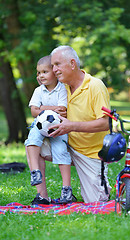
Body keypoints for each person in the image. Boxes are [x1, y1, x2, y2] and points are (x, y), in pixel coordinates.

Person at [46, 45, 111, 203]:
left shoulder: (95, 86)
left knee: (97, 202)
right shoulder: (60, 88)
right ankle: (42, 196)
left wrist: (71, 126)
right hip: (65, 145)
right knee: (33, 143)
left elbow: (105, 123)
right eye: (52, 65)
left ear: (72, 64)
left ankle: (101, 182)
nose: (53, 69)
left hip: (91, 154)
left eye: (57, 64)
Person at [24, 55, 73, 204]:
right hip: (39, 127)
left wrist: (42, 109)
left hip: (57, 128)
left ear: (54, 72)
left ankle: (66, 189)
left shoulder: (62, 90)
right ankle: (35, 172)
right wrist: (51, 109)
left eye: (44, 72)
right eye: (38, 73)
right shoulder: (38, 91)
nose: (40, 76)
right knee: (32, 139)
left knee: (61, 152)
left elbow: (62, 111)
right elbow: (34, 111)